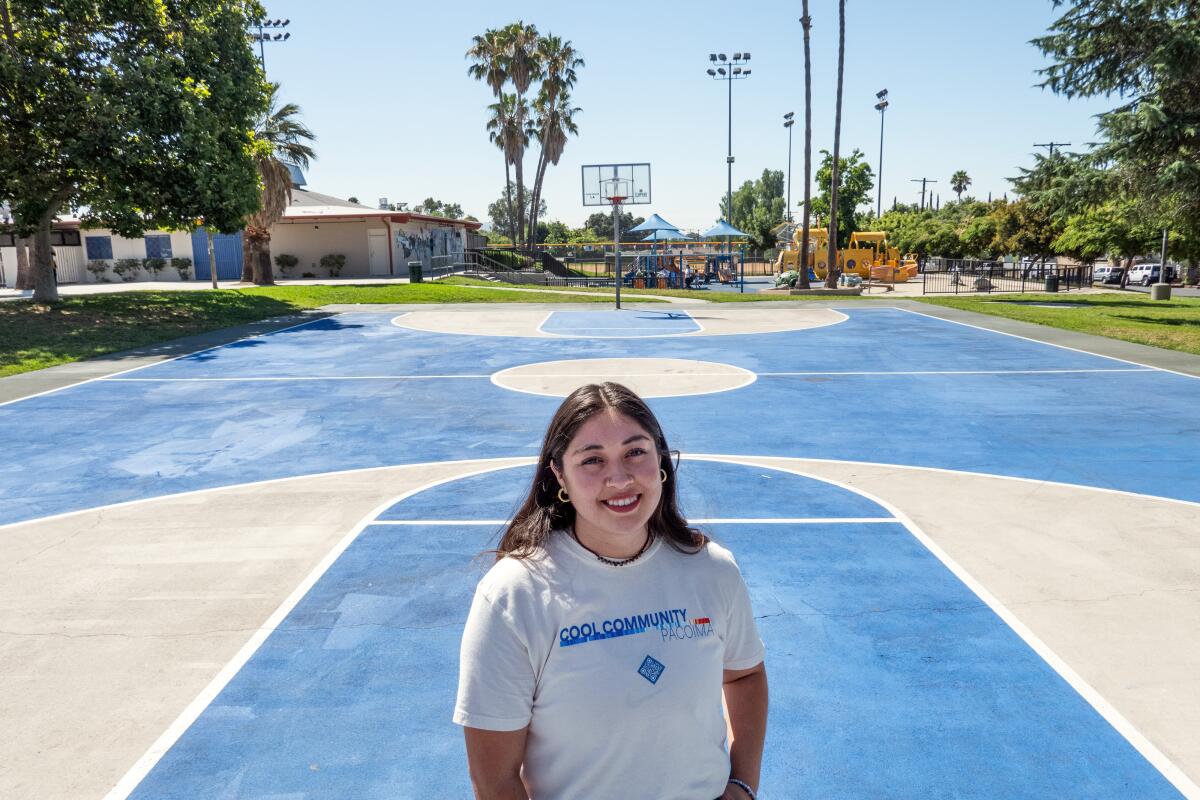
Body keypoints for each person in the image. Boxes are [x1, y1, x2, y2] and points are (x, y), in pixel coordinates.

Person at [455, 383, 768, 800]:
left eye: (635, 452)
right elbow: (494, 780)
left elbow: (745, 674)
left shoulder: (711, 570)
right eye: (592, 460)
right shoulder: (516, 594)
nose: (618, 478)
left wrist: (743, 784)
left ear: (660, 459)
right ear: (559, 475)